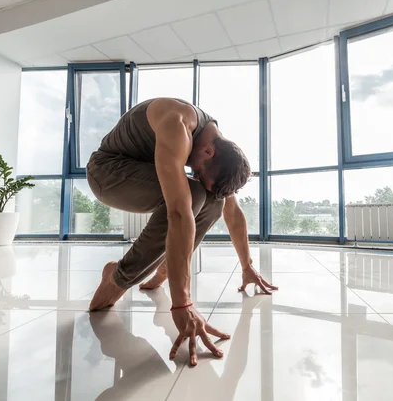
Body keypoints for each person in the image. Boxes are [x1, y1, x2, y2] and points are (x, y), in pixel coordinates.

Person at [86, 97, 277, 366]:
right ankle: (116, 277)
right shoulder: (177, 124)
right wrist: (182, 303)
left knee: (214, 198)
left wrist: (247, 266)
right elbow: (178, 212)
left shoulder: (218, 152)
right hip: (106, 173)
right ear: (208, 152)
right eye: (198, 171)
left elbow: (231, 213)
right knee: (195, 194)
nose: (196, 173)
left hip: (141, 171)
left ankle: (166, 264)